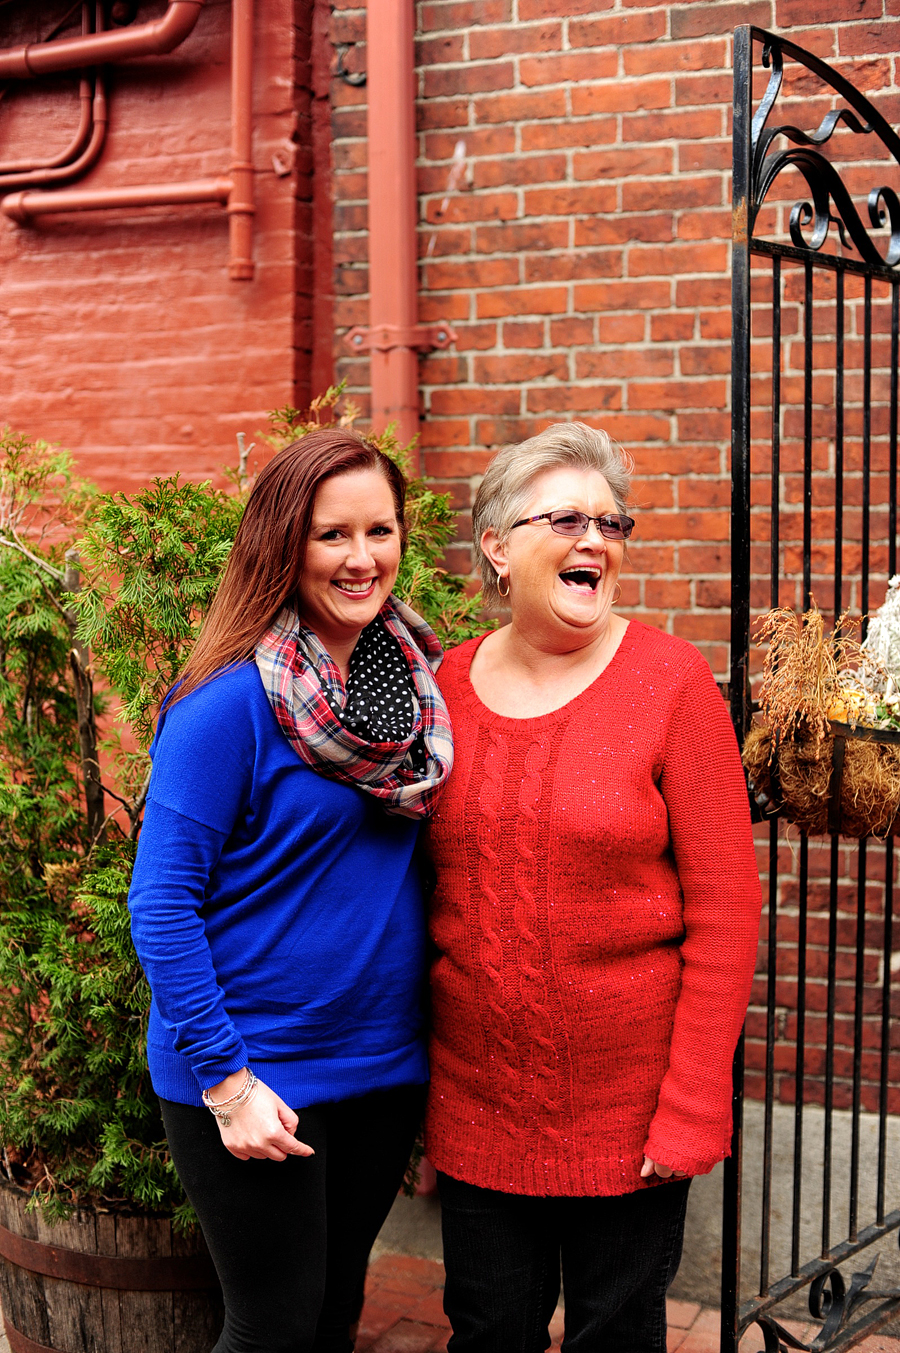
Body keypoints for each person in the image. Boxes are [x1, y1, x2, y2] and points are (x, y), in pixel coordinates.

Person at [424, 422, 762, 1353]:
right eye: (567, 517)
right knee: (487, 1331)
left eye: (613, 522)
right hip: (477, 1101)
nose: (596, 540)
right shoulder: (445, 685)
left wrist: (693, 1103)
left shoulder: (671, 682)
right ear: (497, 545)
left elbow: (729, 914)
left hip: (629, 1111)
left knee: (616, 1336)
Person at [128, 429, 453, 1353]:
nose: (362, 559)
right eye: (331, 536)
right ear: (283, 544)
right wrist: (228, 1084)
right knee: (270, 1327)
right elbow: (160, 904)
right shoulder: (226, 705)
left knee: (333, 1311)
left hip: (383, 1062)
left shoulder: (414, 689)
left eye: (380, 531)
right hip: (255, 1064)